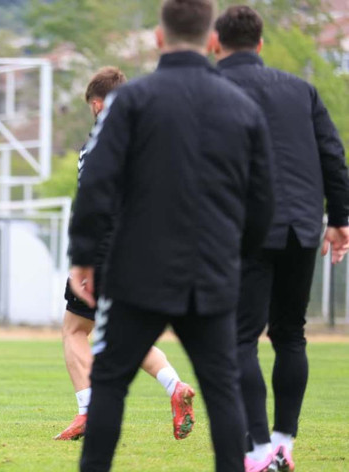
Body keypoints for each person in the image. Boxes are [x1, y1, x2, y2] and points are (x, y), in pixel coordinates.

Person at [68, 0, 276, 469]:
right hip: (212, 273)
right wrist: (238, 256)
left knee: (111, 390)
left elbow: (96, 185)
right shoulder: (242, 107)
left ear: (159, 39)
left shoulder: (130, 103)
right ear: (212, 41)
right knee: (222, 391)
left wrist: (83, 258)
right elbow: (264, 200)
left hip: (137, 274)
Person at [213, 6, 349, 471]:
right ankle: (283, 441)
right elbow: (333, 152)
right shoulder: (301, 89)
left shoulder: (214, 89)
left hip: (247, 228)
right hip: (301, 226)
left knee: (239, 338)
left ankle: (256, 449)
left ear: (216, 43)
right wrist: (340, 218)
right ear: (261, 43)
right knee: (291, 334)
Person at [56, 66, 195, 442]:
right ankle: (175, 386)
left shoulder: (99, 144)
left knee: (74, 330)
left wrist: (83, 257)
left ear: (97, 104)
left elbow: (93, 203)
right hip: (149, 249)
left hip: (106, 250)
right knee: (121, 335)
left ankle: (88, 412)